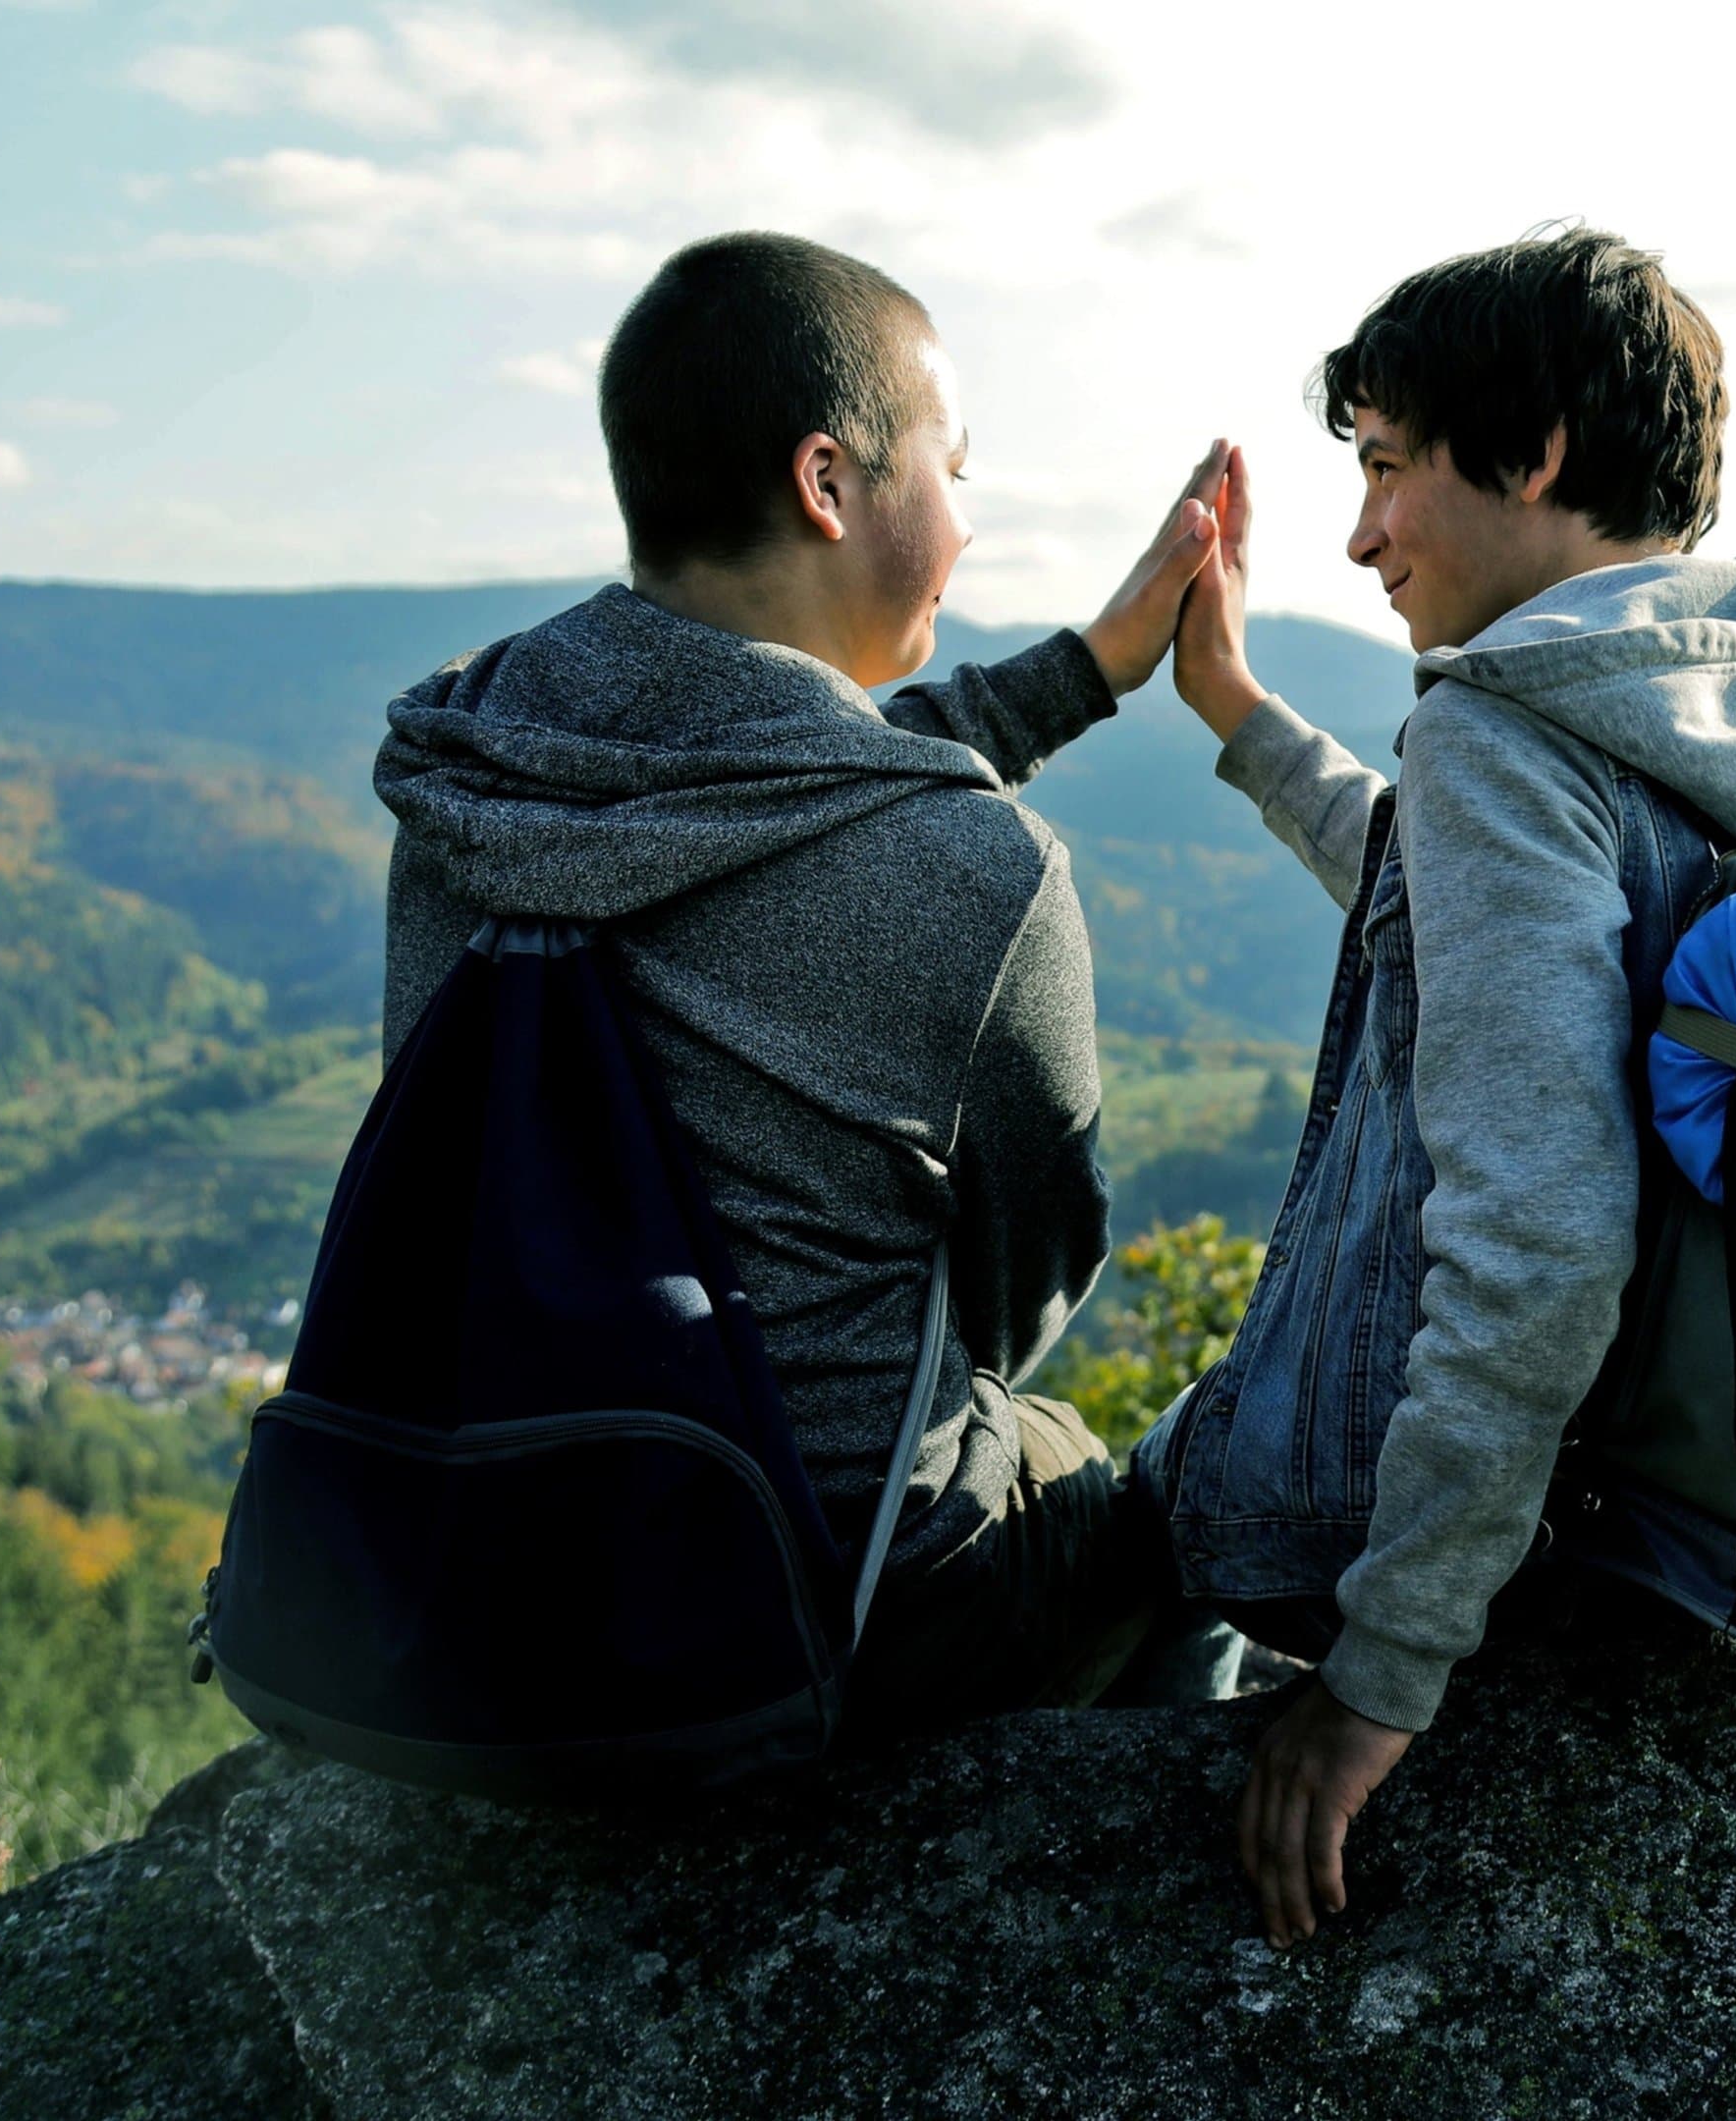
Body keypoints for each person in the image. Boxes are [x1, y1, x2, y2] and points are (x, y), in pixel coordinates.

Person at [1145, 229, 1736, 1941]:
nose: (1360, 535)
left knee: (1057, 1538)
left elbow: (1547, 1239)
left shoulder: (1503, 730)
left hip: (1370, 1521)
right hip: (1670, 1494)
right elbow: (1479, 935)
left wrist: (1377, 1680)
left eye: (1390, 467)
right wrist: (1245, 719)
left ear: (1540, 452)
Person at [371, 232, 1237, 1735]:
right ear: (830, 484)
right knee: (1164, 1498)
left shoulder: (476, 771)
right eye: (952, 470)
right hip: (805, 1611)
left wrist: (1085, 669)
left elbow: (764, 766)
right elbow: (1024, 1286)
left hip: (483, 1560)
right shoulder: (980, 877)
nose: (966, 523)